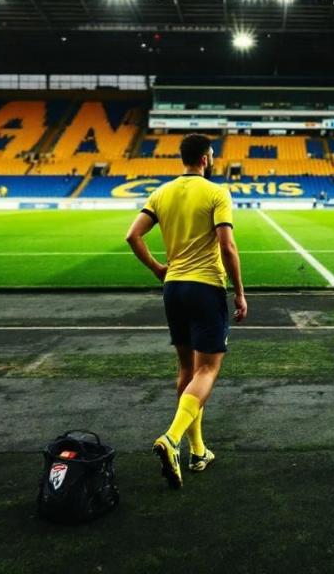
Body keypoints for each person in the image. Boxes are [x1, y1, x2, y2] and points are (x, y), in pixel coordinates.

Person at [125, 133, 248, 489]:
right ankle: (171, 438)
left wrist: (157, 269)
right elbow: (227, 245)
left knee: (186, 369)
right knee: (207, 369)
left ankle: (197, 452)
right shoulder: (216, 192)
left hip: (173, 288)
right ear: (207, 158)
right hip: (205, 287)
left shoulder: (160, 193)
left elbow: (133, 236)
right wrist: (239, 293)